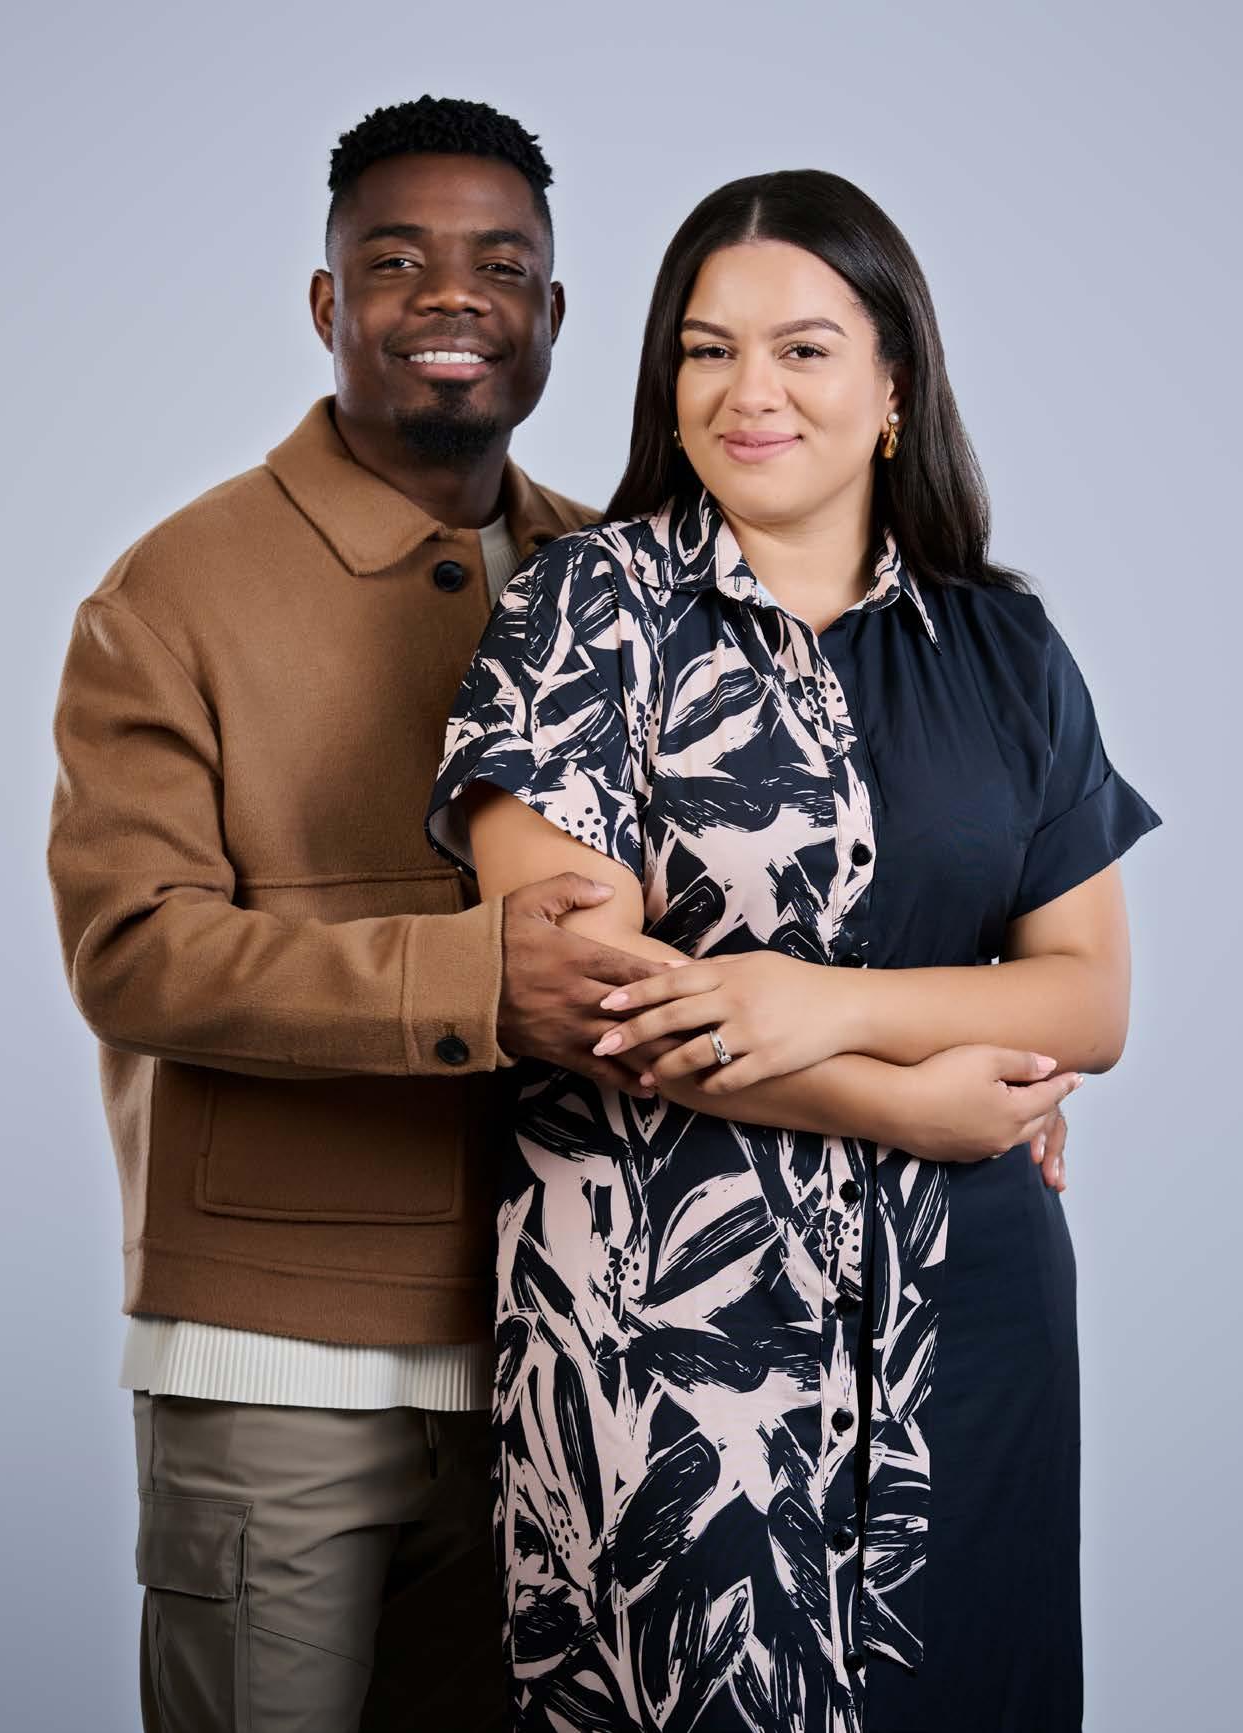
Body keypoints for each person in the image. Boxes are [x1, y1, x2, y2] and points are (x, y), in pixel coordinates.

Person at [426, 169, 1158, 1733]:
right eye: (706, 350)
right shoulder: (583, 612)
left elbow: (1089, 995)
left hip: (970, 1317)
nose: (747, 390)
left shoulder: (1004, 650)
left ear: (893, 386)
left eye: (803, 349)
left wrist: (808, 1001)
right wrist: (914, 1099)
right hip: (672, 1334)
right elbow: (581, 993)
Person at [47, 95, 680, 1733]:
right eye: (397, 263)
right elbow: (133, 951)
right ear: (327, 303)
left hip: (573, 1350)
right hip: (278, 1358)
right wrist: (475, 978)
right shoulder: (171, 591)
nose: (451, 296)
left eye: (500, 266)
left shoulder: (619, 579)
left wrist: (958, 1050)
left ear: (553, 313)